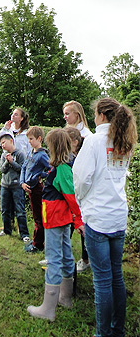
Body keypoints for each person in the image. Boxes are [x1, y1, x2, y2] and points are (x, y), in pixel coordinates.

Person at [73, 98, 138, 337]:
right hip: (117, 216)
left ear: (100, 115)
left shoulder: (94, 141)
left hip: (98, 219)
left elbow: (81, 178)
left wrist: (82, 202)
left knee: (102, 282)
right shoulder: (124, 140)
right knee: (116, 278)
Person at [27, 128, 84, 322]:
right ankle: (64, 298)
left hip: (56, 218)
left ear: (54, 147)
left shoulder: (62, 168)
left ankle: (48, 308)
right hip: (60, 218)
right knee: (66, 255)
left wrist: (78, 220)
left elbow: (71, 196)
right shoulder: (63, 166)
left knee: (53, 258)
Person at [63, 100, 92, 273]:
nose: (65, 116)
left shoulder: (86, 135)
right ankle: (61, 254)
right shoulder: (66, 129)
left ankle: (85, 258)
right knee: (66, 221)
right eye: (64, 113)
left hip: (80, 185)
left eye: (68, 113)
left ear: (77, 115)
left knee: (82, 222)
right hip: (67, 181)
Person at [20, 126, 51, 253]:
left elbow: (51, 169)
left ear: (39, 139)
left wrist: (40, 176)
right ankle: (36, 241)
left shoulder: (42, 155)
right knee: (35, 215)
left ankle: (38, 244)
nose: (29, 141)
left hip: (37, 189)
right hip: (29, 188)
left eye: (31, 139)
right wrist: (22, 182)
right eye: (28, 139)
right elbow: (23, 168)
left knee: (39, 217)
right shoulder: (30, 152)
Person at [0, 133, 30, 242]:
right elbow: (2, 170)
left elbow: (22, 169)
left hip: (17, 186)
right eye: (1, 144)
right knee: (5, 210)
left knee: (20, 210)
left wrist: (12, 162)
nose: (2, 146)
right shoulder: (3, 155)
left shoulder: (20, 154)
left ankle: (24, 234)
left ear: (11, 141)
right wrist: (7, 161)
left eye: (3, 143)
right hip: (5, 186)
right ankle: (7, 230)